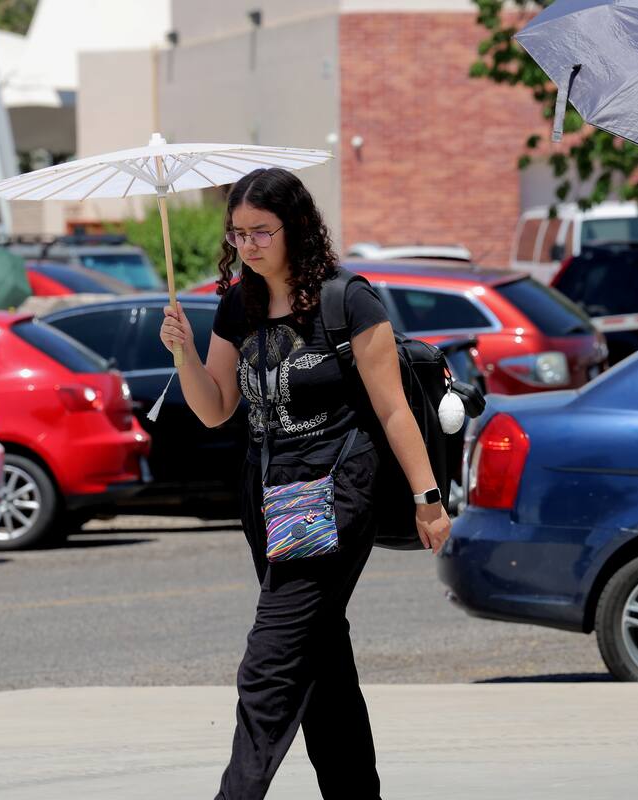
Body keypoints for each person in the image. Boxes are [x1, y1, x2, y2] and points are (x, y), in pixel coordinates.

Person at [158, 167, 451, 800]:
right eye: (238, 234)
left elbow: (394, 407)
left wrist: (429, 498)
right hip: (267, 494)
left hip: (337, 489)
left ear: (297, 226)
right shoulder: (239, 304)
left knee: (270, 662)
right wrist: (183, 354)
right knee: (323, 659)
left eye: (261, 231)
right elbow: (215, 408)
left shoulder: (349, 299)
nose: (249, 245)